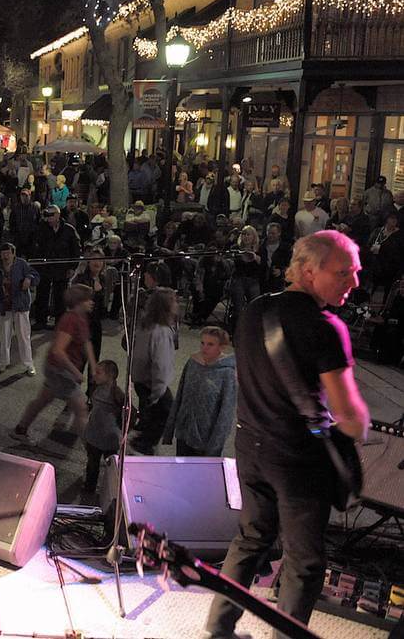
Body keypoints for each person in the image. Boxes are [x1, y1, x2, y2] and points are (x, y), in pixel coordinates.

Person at [203, 230, 370, 639]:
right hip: (297, 459)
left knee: (250, 539)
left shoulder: (256, 309)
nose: (355, 282)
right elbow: (351, 418)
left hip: (250, 445)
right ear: (309, 271)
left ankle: (218, 629)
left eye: (356, 271)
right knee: (304, 562)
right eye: (344, 272)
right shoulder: (325, 327)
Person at [13, 283, 98, 445]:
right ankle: (92, 450)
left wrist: (93, 367)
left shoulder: (81, 318)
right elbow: (58, 351)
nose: (91, 302)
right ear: (79, 302)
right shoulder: (70, 320)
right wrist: (76, 372)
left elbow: (86, 342)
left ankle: (21, 429)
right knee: (81, 409)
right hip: (60, 370)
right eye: (88, 300)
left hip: (58, 369)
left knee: (43, 399)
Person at [163, 326, 237, 457]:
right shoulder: (193, 363)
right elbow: (180, 395)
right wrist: (170, 430)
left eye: (210, 344)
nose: (204, 348)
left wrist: (214, 447)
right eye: (202, 343)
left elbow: (226, 414)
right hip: (184, 432)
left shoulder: (227, 374)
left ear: (221, 347)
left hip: (205, 439)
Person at [129, 287, 179, 454]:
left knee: (149, 414)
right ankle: (141, 445)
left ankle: (140, 437)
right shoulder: (162, 332)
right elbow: (160, 363)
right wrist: (158, 390)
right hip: (152, 383)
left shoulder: (146, 325)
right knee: (165, 411)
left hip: (141, 380)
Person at [0, 242, 39, 375]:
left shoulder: (22, 264)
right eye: (3, 253)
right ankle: (4, 361)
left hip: (20, 305)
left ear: (13, 254)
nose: (5, 256)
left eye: (8, 253)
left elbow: (35, 276)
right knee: (4, 336)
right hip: (2, 305)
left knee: (23, 336)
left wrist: (29, 278)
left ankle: (29, 364)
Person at [32, 205, 81, 330]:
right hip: (45, 267)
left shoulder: (69, 230)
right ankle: (40, 320)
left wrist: (72, 267)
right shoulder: (42, 229)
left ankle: (60, 323)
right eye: (47, 216)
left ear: (58, 215)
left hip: (62, 268)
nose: (49, 219)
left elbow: (76, 250)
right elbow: (36, 248)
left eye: (51, 215)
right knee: (42, 295)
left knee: (60, 297)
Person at [82, 359, 123, 496]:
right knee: (92, 464)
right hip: (94, 435)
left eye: (99, 373)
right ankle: (90, 488)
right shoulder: (95, 387)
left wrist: (124, 429)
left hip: (109, 438)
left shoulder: (117, 393)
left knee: (111, 466)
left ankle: (111, 490)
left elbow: (129, 412)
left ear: (110, 376)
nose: (94, 375)